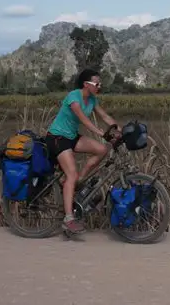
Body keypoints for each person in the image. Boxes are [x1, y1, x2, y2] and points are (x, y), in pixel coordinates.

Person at [43, 68, 120, 234]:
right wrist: (101, 133)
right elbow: (83, 119)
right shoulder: (74, 96)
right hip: (57, 137)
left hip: (71, 136)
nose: (99, 86)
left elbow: (105, 117)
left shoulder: (92, 100)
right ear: (86, 84)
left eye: (100, 83)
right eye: (96, 83)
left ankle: (80, 181)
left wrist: (119, 130)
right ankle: (68, 219)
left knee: (101, 149)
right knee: (71, 174)